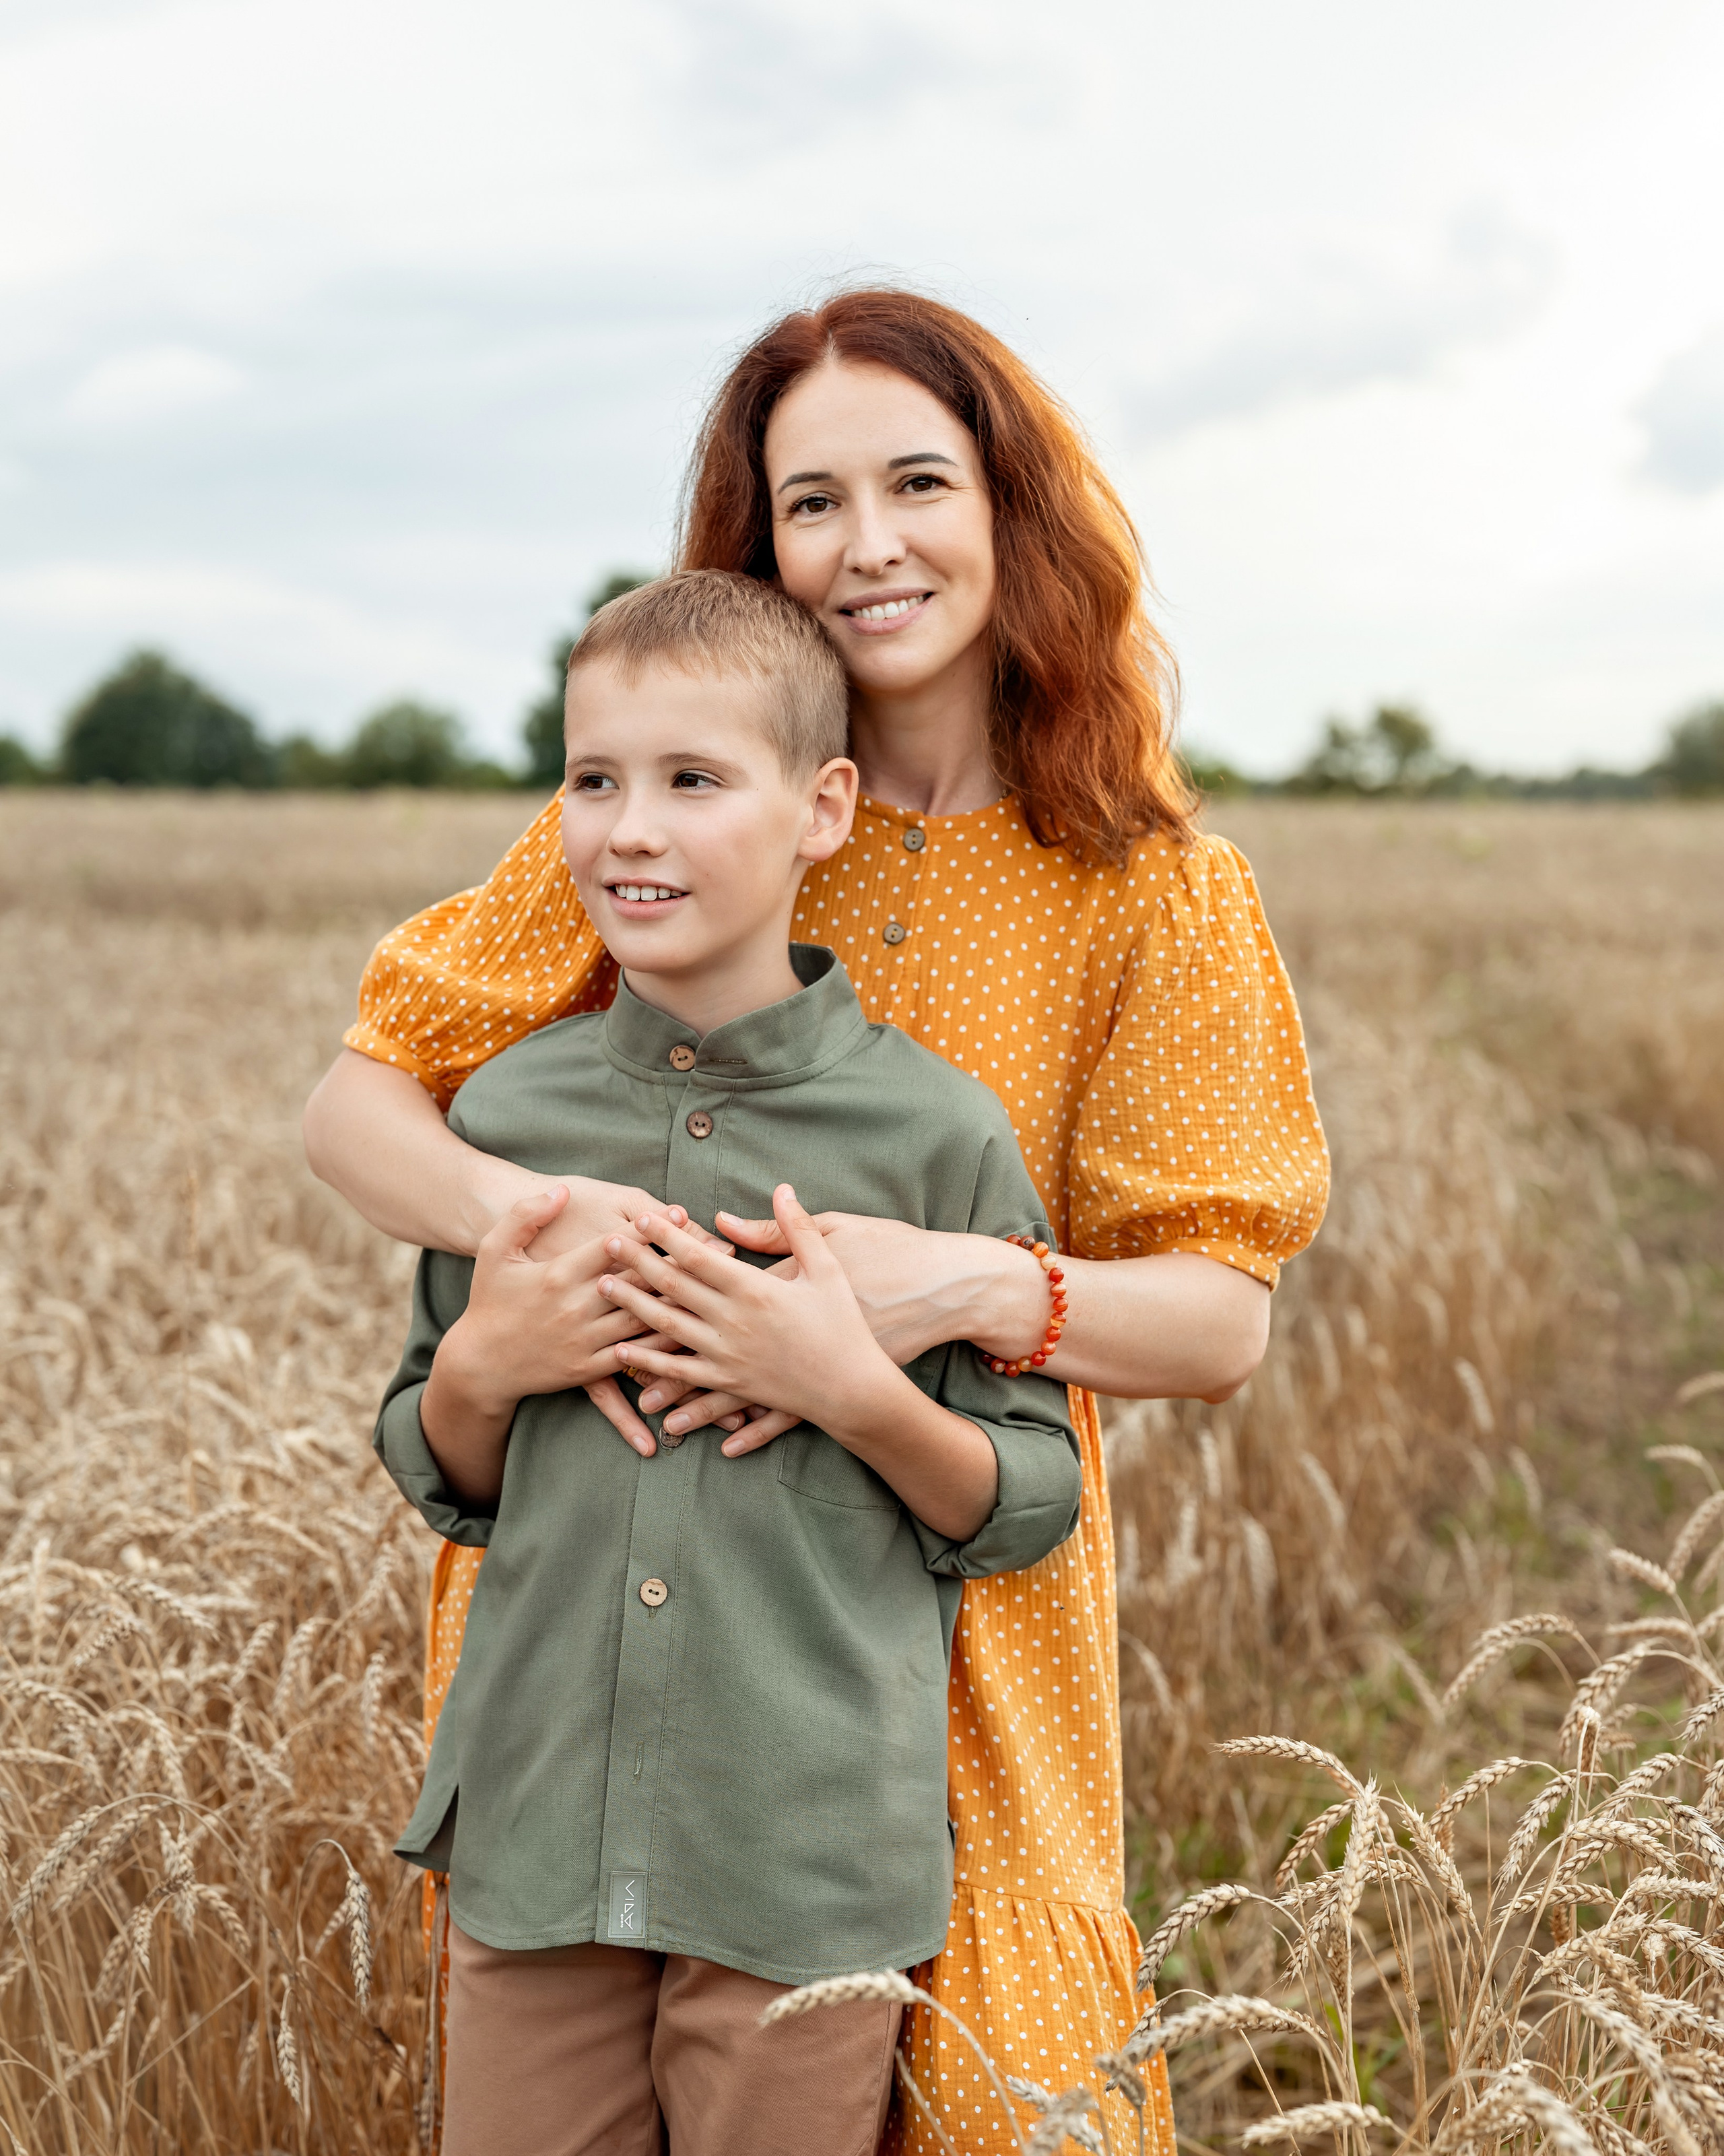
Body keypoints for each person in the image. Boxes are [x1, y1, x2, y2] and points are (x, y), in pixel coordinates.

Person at [305, 287, 1329, 2153]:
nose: (868, 547)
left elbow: (1220, 1319)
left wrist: (938, 1284)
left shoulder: (1152, 890)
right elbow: (364, 1089)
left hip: (954, 1627)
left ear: (1013, 505)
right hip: (602, 1624)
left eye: (917, 482)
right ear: (756, 537)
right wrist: (544, 1237)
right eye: (809, 501)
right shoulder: (681, 797)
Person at [373, 570, 1084, 2155]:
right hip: (536, 1832)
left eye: (692, 779)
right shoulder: (505, 1120)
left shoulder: (936, 1133)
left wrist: (851, 1386)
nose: (630, 828)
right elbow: (443, 1462)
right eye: (592, 777)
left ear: (821, 806)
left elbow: (1030, 1494)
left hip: (804, 1865)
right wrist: (492, 1360)